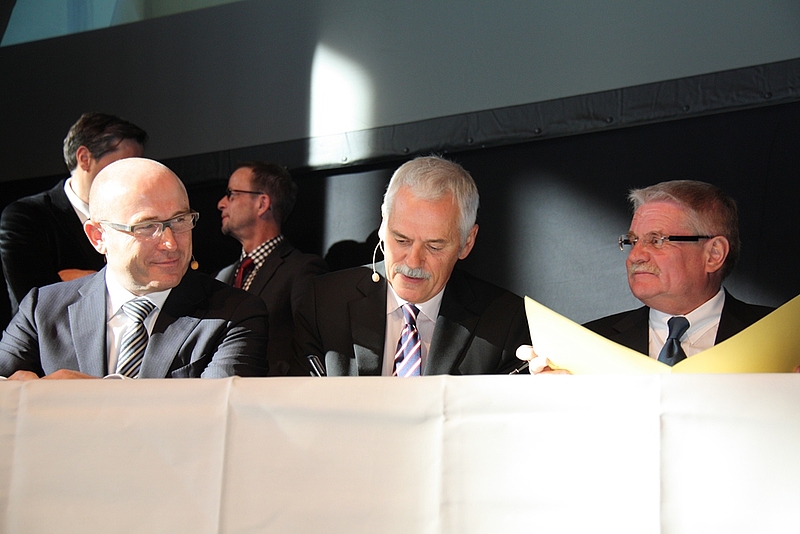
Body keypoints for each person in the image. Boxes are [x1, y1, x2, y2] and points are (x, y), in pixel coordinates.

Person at [0, 158, 269, 379]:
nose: (170, 243)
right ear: (98, 237)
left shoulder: (234, 314)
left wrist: (80, 397)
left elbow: (215, 414)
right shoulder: (43, 309)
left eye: (179, 221)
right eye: (147, 227)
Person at [294, 155, 531, 376]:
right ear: (383, 225)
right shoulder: (322, 302)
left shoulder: (505, 322)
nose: (413, 261)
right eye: (402, 240)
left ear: (467, 242)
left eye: (434, 246)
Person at [523, 179, 773, 373]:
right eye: (633, 241)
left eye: (657, 240)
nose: (636, 256)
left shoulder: (779, 337)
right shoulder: (586, 345)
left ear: (713, 254)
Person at [0, 112, 148, 316]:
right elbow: (35, 304)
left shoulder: (140, 215)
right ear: (84, 158)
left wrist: (83, 280)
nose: (134, 175)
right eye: (124, 165)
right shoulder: (26, 217)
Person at [216, 162, 328, 376]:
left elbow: (311, 352)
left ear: (262, 203)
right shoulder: (222, 277)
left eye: (231, 194)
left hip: (272, 394)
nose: (221, 204)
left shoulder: (302, 270)